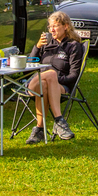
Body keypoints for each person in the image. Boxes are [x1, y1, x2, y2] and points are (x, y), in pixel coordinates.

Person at [25, 11, 83, 143]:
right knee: (49, 75)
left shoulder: (73, 46)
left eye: (55, 26)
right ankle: (59, 121)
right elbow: (29, 66)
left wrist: (55, 81)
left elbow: (73, 75)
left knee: (46, 84)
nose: (51, 30)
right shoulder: (45, 42)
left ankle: (39, 129)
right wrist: (37, 47)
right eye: (50, 26)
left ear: (66, 26)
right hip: (34, 83)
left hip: (61, 87)